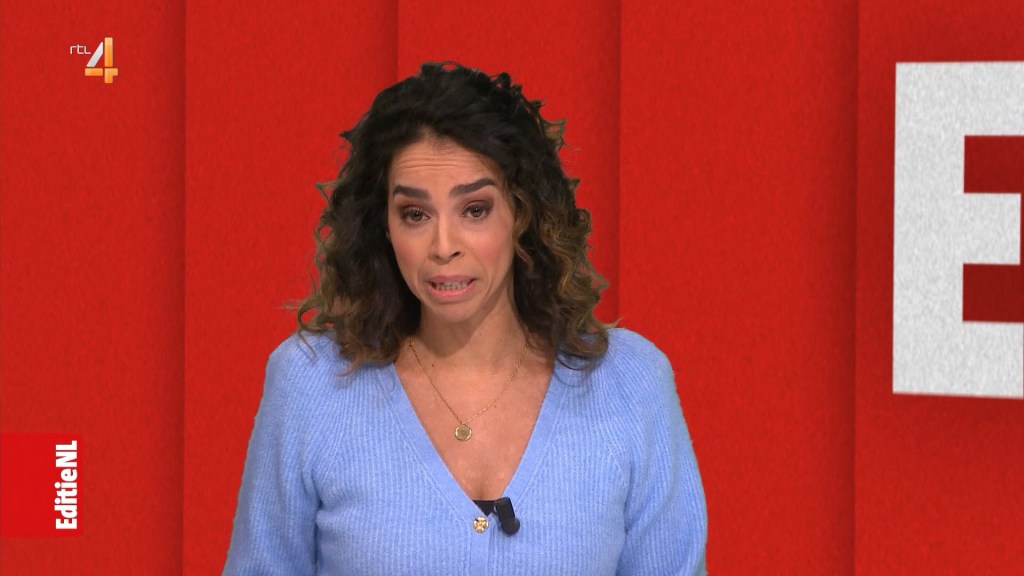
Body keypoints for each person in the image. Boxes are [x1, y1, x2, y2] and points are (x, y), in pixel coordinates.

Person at [224, 62, 707, 575]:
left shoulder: (630, 383)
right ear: (384, 226)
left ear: (521, 214)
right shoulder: (311, 383)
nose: (444, 246)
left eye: (474, 209)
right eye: (415, 214)